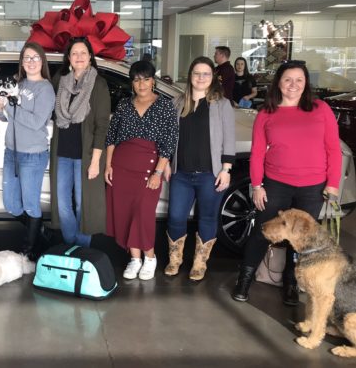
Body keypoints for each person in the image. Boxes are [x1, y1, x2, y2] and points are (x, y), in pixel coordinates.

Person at [231, 61, 341, 305]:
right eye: (288, 79)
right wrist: (257, 186)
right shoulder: (266, 113)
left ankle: (290, 283)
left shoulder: (320, 109)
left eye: (299, 80)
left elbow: (333, 149)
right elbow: (257, 154)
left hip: (313, 187)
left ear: (306, 83)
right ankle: (244, 279)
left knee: (300, 238)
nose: (293, 85)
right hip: (276, 184)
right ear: (278, 83)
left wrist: (332, 183)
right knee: (262, 232)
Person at [105, 61, 178, 280]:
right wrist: (108, 165)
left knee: (143, 214)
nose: (142, 84)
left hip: (149, 168)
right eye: (137, 80)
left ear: (153, 81)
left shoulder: (165, 106)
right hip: (121, 167)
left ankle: (150, 257)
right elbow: (111, 137)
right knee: (125, 214)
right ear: (132, 83)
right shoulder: (124, 105)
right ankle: (135, 259)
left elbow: (169, 142)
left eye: (146, 79)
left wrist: (158, 172)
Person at [165, 56, 235, 281]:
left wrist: (226, 170)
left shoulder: (222, 104)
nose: (201, 77)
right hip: (181, 174)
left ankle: (199, 263)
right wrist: (165, 163)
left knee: (207, 218)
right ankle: (175, 259)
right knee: (175, 217)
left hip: (210, 175)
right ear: (190, 76)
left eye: (206, 73)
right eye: (197, 73)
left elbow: (229, 139)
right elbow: (168, 136)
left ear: (213, 77)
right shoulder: (177, 102)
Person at [0, 42, 55, 258]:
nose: (31, 61)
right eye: (27, 57)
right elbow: (6, 118)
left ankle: (28, 252)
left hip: (33, 154)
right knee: (11, 204)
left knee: (30, 205)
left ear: (42, 61)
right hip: (11, 151)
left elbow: (36, 122)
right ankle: (40, 231)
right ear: (21, 62)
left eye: (35, 57)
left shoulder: (45, 89)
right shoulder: (18, 84)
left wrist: (9, 107)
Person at [50, 37, 111, 247]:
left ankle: (82, 249)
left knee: (82, 205)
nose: (79, 57)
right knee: (62, 204)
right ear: (68, 57)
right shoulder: (60, 80)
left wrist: (95, 162)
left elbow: (102, 126)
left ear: (90, 57)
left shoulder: (98, 84)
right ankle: (71, 245)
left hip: (86, 155)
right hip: (62, 152)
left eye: (83, 53)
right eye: (74, 53)